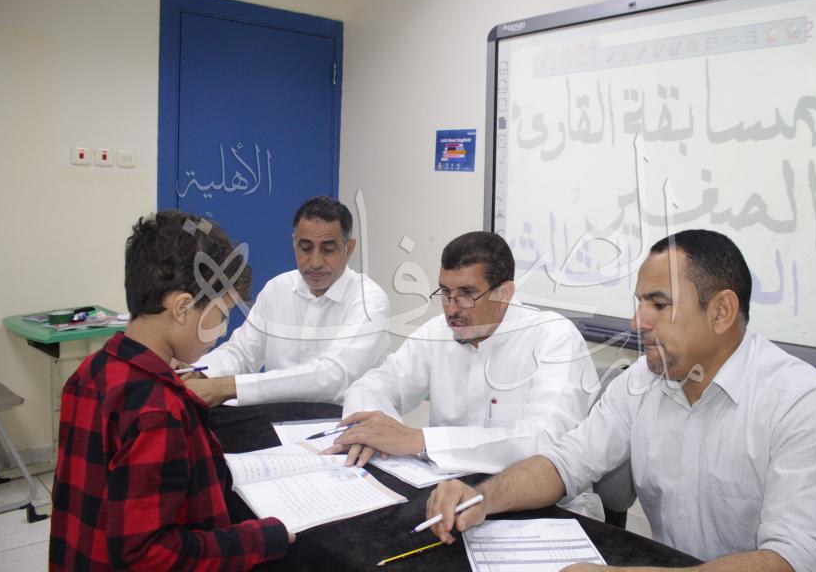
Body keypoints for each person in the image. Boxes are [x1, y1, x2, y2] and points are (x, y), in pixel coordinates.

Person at [426, 229, 816, 572]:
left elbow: (800, 559)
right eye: (639, 303)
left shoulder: (804, 403)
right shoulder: (641, 381)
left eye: (659, 304)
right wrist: (481, 497)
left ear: (722, 311)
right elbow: (565, 462)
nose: (637, 321)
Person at [49, 211, 292, 570]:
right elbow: (149, 554)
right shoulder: (158, 410)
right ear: (182, 308)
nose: (222, 331)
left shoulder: (89, 373)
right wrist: (259, 539)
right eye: (221, 315)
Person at [328, 231, 599, 475]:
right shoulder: (437, 332)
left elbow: (544, 441)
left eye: (467, 294)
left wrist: (419, 440)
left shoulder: (554, 337)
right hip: (444, 488)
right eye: (446, 293)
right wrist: (373, 432)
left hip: (538, 503)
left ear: (504, 293)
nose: (452, 308)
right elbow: (373, 385)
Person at [185, 196, 390, 407]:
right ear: (294, 244)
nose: (315, 262)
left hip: (348, 420)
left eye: (328, 249)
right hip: (279, 418)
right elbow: (241, 352)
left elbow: (332, 376)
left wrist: (227, 387)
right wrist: (199, 373)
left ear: (349, 248)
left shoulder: (369, 300)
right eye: (305, 248)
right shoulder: (278, 288)